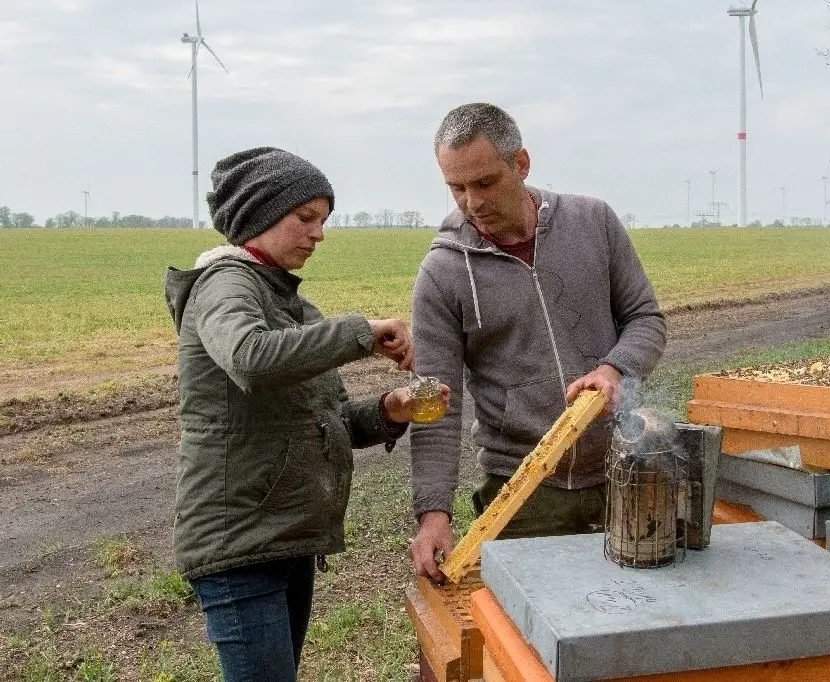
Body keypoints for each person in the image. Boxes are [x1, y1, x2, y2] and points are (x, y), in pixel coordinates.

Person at [164, 146, 446, 681]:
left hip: (283, 537)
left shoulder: (290, 301)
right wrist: (359, 331)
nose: (319, 234)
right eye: (305, 217)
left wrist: (390, 409)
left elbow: (330, 418)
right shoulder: (225, 285)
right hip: (239, 543)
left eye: (324, 220)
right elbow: (250, 358)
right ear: (259, 215)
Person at [409, 103, 666, 582]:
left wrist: (614, 369)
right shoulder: (442, 272)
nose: (472, 202)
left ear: (521, 164)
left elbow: (645, 319)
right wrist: (433, 514)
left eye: (485, 182)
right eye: (456, 187)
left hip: (625, 472)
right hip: (523, 495)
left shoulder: (593, 222)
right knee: (531, 648)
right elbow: (433, 403)